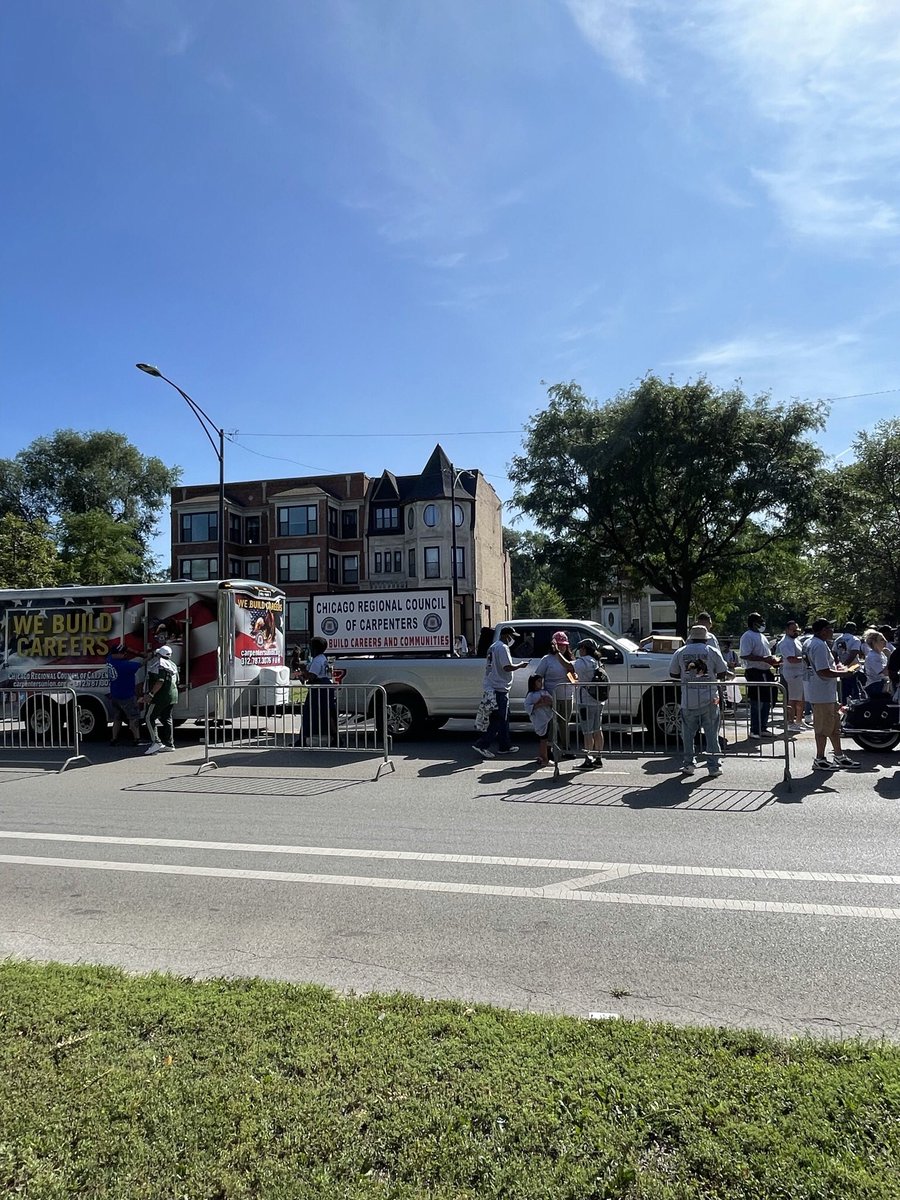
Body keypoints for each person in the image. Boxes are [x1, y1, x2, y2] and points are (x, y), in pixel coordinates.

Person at [668, 625, 729, 778]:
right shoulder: (712, 651)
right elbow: (722, 672)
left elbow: (673, 673)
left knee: (688, 735)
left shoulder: (681, 652)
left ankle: (689, 763)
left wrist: (688, 676)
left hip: (688, 699)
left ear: (691, 637)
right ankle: (713, 766)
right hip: (710, 699)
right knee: (711, 734)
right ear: (705, 638)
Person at [803, 618, 859, 770]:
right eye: (829, 628)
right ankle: (820, 758)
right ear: (822, 630)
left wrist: (838, 668)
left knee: (834, 727)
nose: (832, 631)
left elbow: (825, 667)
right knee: (822, 728)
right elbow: (823, 671)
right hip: (821, 693)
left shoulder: (811, 642)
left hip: (825, 692)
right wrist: (845, 673)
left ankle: (839, 755)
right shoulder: (818, 645)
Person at [473, 627, 530, 759]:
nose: (513, 639)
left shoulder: (493, 646)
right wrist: (520, 665)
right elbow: (506, 667)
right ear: (506, 635)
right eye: (512, 636)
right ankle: (482, 744)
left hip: (495, 687)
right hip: (499, 688)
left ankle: (505, 745)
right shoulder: (502, 647)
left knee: (504, 718)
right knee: (498, 719)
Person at [536, 632, 578, 758]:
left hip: (567, 696)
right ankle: (549, 749)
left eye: (564, 645)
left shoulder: (570, 659)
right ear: (553, 646)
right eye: (559, 645)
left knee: (564, 723)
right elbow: (538, 676)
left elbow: (575, 674)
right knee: (551, 723)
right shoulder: (546, 659)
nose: (561, 648)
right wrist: (541, 693)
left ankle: (566, 748)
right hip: (551, 697)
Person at [739, 612, 780, 738]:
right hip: (754, 671)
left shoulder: (761, 636)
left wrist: (772, 661)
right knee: (757, 701)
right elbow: (745, 655)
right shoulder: (747, 636)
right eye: (759, 621)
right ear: (753, 622)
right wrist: (763, 659)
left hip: (765, 671)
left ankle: (763, 727)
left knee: (767, 701)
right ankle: (754, 729)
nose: (762, 623)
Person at [573, 638, 606, 770]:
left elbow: (568, 666)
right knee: (598, 730)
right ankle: (598, 758)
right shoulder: (598, 661)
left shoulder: (583, 662)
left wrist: (558, 653)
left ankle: (588, 760)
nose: (579, 651)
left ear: (584, 649)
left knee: (587, 732)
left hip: (586, 700)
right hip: (598, 700)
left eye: (580, 648)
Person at [142, 644, 179, 755]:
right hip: (172, 695)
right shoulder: (173, 664)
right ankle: (169, 744)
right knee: (167, 718)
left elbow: (160, 681)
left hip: (160, 696)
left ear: (159, 654)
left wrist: (151, 694)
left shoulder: (160, 664)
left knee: (149, 717)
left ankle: (156, 742)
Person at [300, 636, 337, 744]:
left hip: (319, 689)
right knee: (327, 713)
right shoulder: (323, 658)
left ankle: (306, 738)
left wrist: (303, 671)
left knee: (317, 713)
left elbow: (311, 676)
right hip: (325, 686)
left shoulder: (316, 660)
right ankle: (334, 737)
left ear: (315, 648)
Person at [105, 642, 144, 746]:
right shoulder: (125, 666)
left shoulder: (109, 660)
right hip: (126, 696)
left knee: (117, 718)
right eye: (122, 653)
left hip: (115, 696)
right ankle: (137, 739)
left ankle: (114, 739)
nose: (124, 654)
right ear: (117, 654)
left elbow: (121, 651)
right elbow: (141, 664)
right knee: (133, 718)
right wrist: (146, 656)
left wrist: (130, 650)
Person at [776, 619, 806, 732]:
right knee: (793, 699)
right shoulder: (785, 642)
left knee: (800, 699)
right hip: (792, 673)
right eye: (793, 630)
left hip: (799, 672)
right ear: (787, 630)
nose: (795, 632)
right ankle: (790, 722)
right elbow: (791, 659)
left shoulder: (796, 640)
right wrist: (804, 658)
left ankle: (799, 720)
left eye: (796, 630)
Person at [524, 673, 554, 768]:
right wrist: (539, 704)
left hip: (547, 718)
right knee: (543, 740)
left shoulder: (545, 692)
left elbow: (552, 702)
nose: (541, 683)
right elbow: (528, 707)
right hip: (539, 720)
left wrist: (549, 701)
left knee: (545, 739)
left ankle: (542, 756)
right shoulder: (531, 695)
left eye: (541, 681)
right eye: (538, 681)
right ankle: (544, 759)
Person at [832, 621, 864, 703]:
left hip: (841, 668)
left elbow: (834, 654)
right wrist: (845, 666)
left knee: (844, 690)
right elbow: (853, 654)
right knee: (855, 689)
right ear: (854, 630)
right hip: (853, 667)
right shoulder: (855, 639)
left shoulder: (838, 639)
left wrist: (839, 666)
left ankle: (844, 705)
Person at [862, 628, 889, 696]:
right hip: (875, 686)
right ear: (874, 642)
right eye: (882, 640)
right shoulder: (873, 656)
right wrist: (890, 657)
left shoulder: (881, 654)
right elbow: (885, 672)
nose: (885, 641)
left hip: (882, 684)